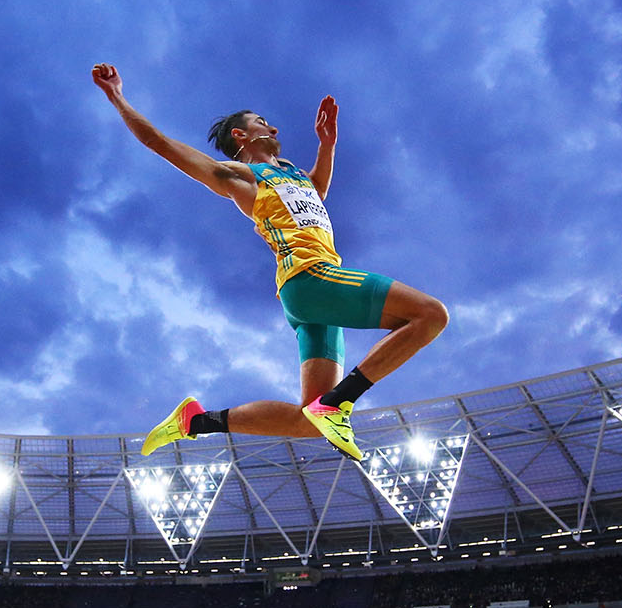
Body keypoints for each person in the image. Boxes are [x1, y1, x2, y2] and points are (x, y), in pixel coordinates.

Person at [91, 64, 447, 460]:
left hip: (313, 297)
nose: (274, 129)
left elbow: (317, 192)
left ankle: (194, 421)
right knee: (430, 315)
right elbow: (159, 142)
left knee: (307, 422)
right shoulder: (239, 176)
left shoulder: (294, 174)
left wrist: (327, 144)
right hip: (311, 277)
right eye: (263, 123)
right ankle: (339, 401)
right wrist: (117, 96)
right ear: (240, 136)